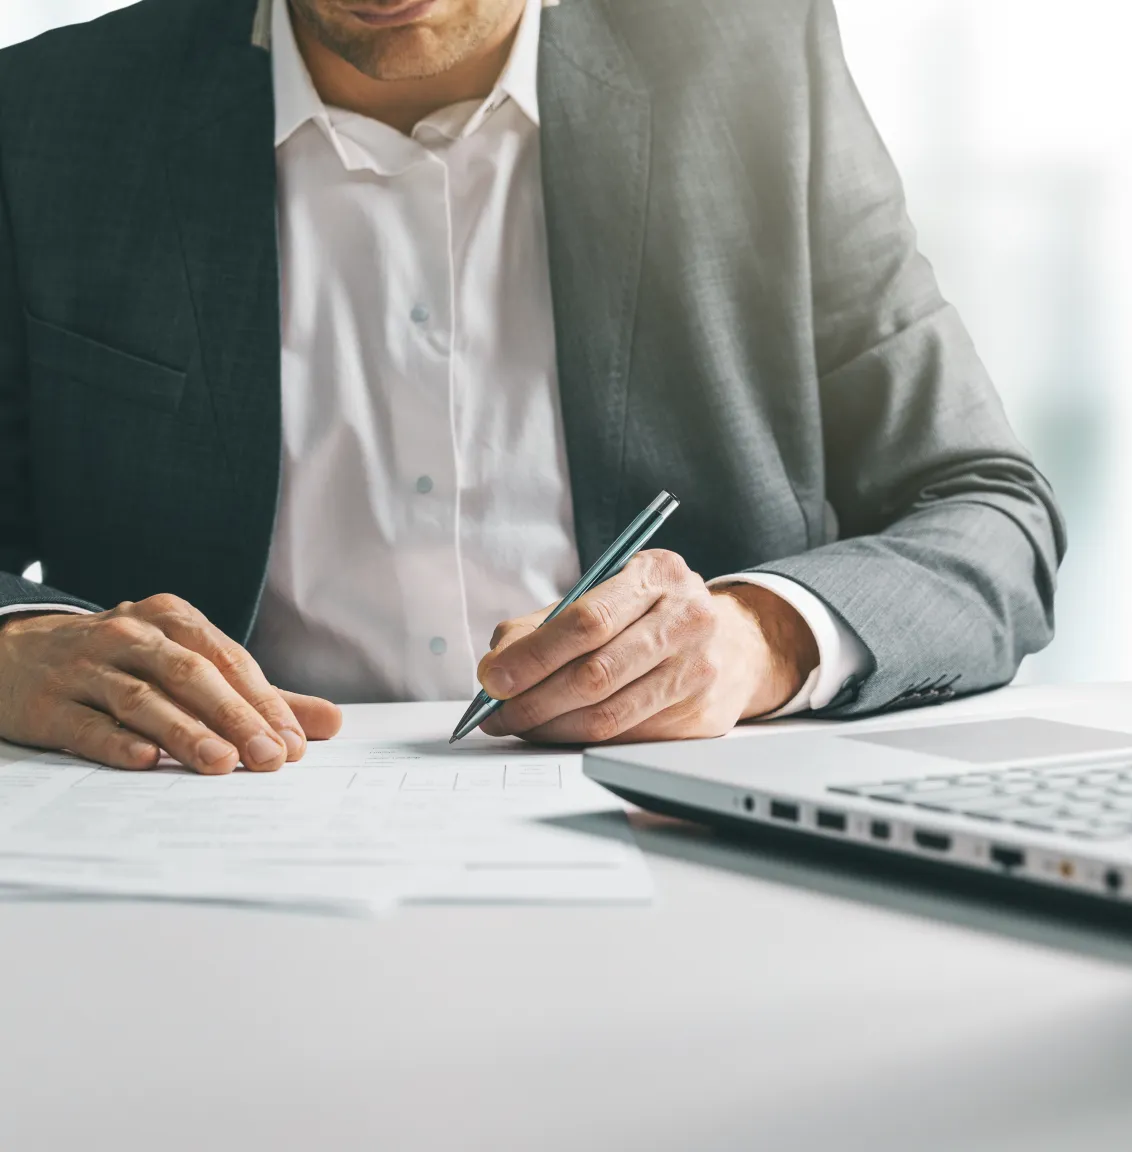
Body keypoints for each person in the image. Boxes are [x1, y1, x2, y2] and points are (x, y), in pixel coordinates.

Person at [0, 0, 1064, 774]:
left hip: (681, 847)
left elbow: (989, 518)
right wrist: (15, 650)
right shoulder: (48, 115)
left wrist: (756, 641)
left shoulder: (758, 68)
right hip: (197, 845)